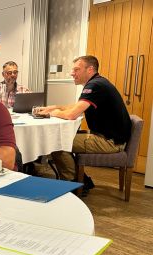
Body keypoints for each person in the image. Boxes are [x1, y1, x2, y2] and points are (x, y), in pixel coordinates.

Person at [39, 55, 132, 183]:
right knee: (63, 137)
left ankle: (74, 183)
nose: (72, 73)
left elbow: (72, 115)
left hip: (109, 141)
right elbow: (77, 107)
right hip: (111, 137)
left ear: (90, 69)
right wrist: (55, 108)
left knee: (56, 141)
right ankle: (82, 180)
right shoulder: (99, 82)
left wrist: (51, 113)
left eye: (76, 70)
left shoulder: (95, 85)